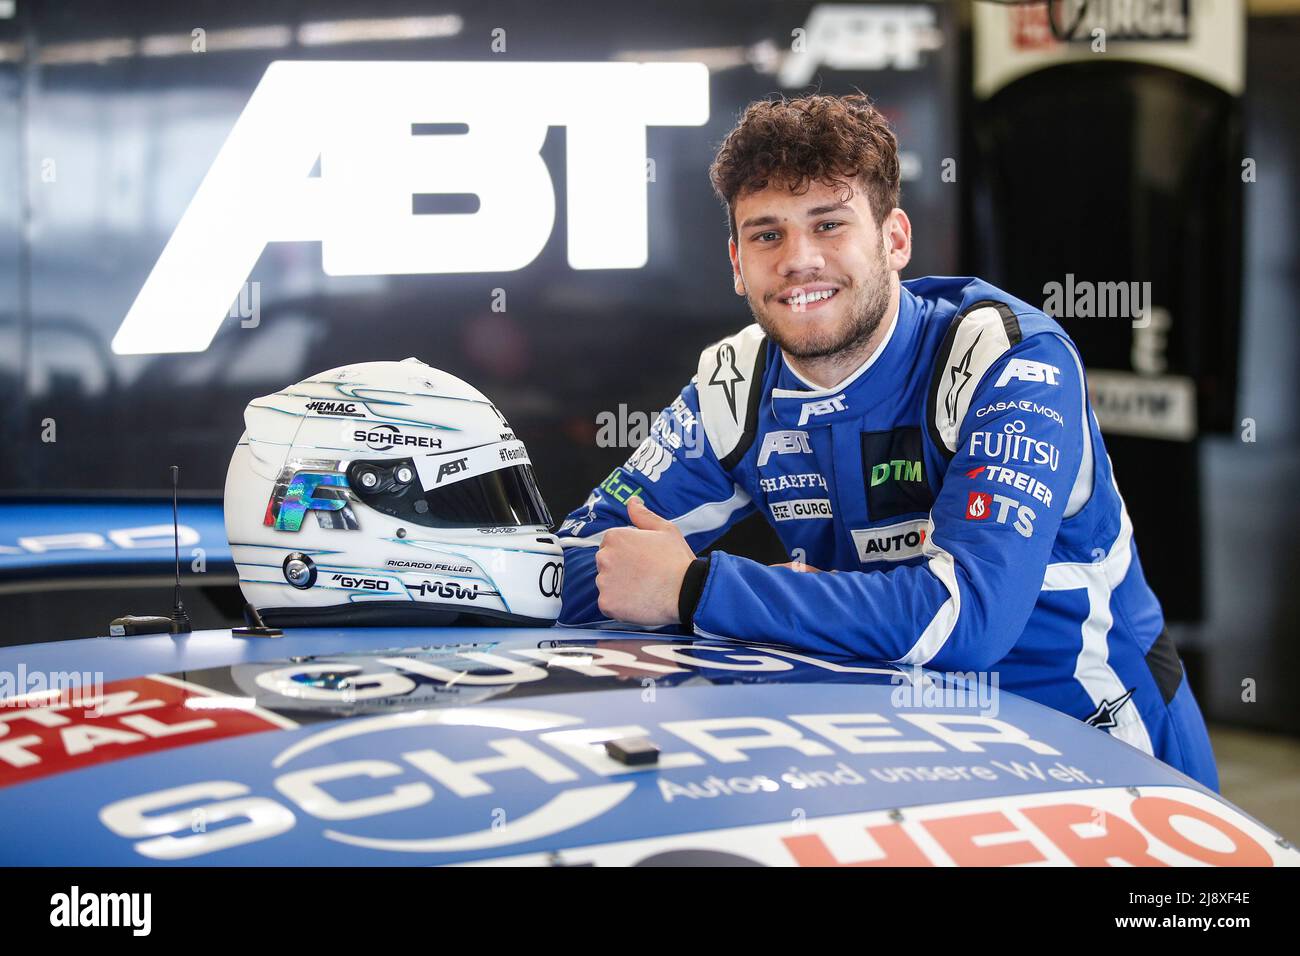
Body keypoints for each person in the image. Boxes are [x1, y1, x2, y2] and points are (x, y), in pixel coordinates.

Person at [554, 93, 1218, 791]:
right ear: (736, 261)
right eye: (767, 234)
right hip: (897, 748)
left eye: (829, 224)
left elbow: (968, 622)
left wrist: (693, 588)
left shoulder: (1005, 359)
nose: (798, 260)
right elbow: (585, 558)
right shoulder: (737, 381)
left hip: (1092, 738)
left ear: (894, 239)